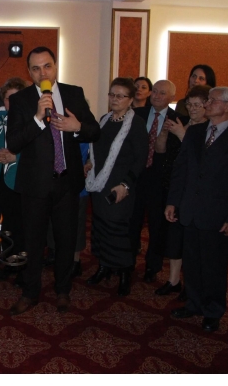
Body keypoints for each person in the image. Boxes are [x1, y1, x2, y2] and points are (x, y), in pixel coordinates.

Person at [6, 46, 100, 314]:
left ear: (55, 66)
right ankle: (30, 292)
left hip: (67, 183)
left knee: (65, 241)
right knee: (34, 243)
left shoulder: (74, 93)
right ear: (29, 72)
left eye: (47, 66)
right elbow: (13, 142)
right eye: (36, 68)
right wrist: (37, 119)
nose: (43, 73)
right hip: (35, 185)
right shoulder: (22, 100)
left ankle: (63, 290)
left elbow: (95, 131)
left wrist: (77, 127)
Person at [166, 86, 228, 332]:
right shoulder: (195, 132)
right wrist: (173, 201)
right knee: (192, 262)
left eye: (212, 100)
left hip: (218, 213)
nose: (207, 104)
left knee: (214, 265)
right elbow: (181, 169)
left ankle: (213, 310)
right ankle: (193, 303)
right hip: (190, 209)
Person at [85, 77, 148, 296]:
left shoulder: (136, 124)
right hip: (100, 183)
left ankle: (124, 273)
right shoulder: (104, 120)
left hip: (121, 187)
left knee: (117, 231)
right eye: (112, 94)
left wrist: (125, 185)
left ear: (130, 99)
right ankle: (104, 266)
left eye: (120, 96)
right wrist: (89, 163)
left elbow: (140, 159)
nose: (114, 99)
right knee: (101, 227)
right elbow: (98, 151)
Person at [154, 85, 210, 296]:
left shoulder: (209, 129)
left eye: (197, 105)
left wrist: (181, 134)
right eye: (190, 104)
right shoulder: (181, 122)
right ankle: (173, 280)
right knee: (174, 237)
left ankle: (190, 285)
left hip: (194, 191)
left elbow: (202, 160)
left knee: (191, 241)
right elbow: (161, 150)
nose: (192, 108)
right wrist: (164, 134)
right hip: (173, 185)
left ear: (207, 106)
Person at [130, 80, 187, 283]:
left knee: (157, 226)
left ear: (172, 97)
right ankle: (127, 263)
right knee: (132, 222)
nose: (156, 96)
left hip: (161, 180)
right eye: (154, 91)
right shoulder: (136, 114)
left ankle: (152, 266)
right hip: (136, 177)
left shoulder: (179, 120)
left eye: (162, 93)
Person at [0, 77, 27, 259]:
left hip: (19, 179)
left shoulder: (31, 121)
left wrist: (15, 157)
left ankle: (19, 259)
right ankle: (2, 258)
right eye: (9, 98)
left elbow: (37, 152)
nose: (13, 102)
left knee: (18, 222)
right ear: (3, 100)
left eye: (17, 97)